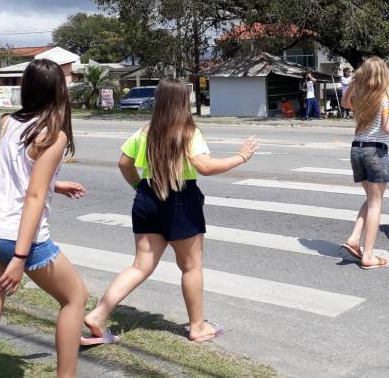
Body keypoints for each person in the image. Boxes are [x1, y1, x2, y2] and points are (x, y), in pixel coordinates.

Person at [82, 79, 259, 344]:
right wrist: (242, 156)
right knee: (191, 267)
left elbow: (124, 163)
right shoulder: (189, 132)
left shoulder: (144, 131)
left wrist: (140, 187)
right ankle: (197, 327)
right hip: (180, 200)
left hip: (147, 197)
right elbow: (205, 166)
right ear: (182, 102)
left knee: (140, 266)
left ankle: (98, 314)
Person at [0, 60, 89, 378]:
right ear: (59, 90)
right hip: (19, 237)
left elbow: (15, 174)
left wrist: (56, 183)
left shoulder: (6, 122)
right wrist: (19, 257)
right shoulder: (52, 136)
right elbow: (32, 196)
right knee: (75, 298)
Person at [341, 57, 389, 269]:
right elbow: (388, 128)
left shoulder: (361, 95)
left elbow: (344, 102)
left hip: (357, 149)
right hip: (376, 151)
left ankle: (353, 239)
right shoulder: (387, 96)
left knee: (371, 199)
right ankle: (368, 256)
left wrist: (353, 82)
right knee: (376, 204)